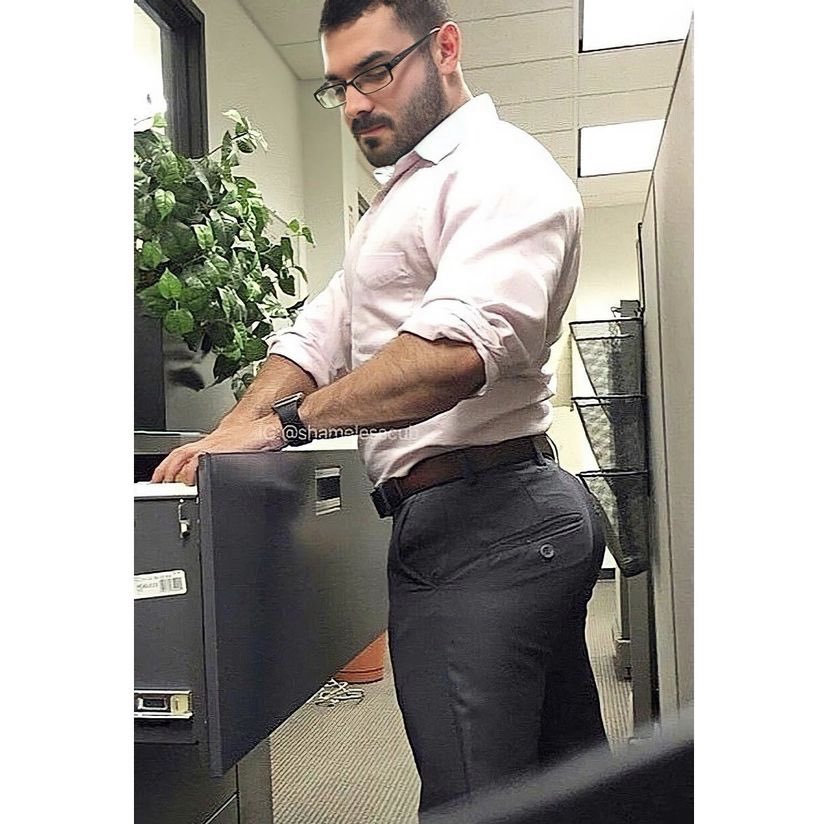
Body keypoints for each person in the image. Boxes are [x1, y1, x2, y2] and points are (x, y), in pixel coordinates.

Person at [152, 0, 609, 813]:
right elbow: (318, 334)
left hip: (487, 521)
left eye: (376, 71)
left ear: (446, 48)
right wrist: (232, 428)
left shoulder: (498, 171)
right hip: (482, 516)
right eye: (340, 86)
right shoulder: (403, 199)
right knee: (552, 786)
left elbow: (450, 357)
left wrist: (283, 427)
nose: (356, 102)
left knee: (473, 796)